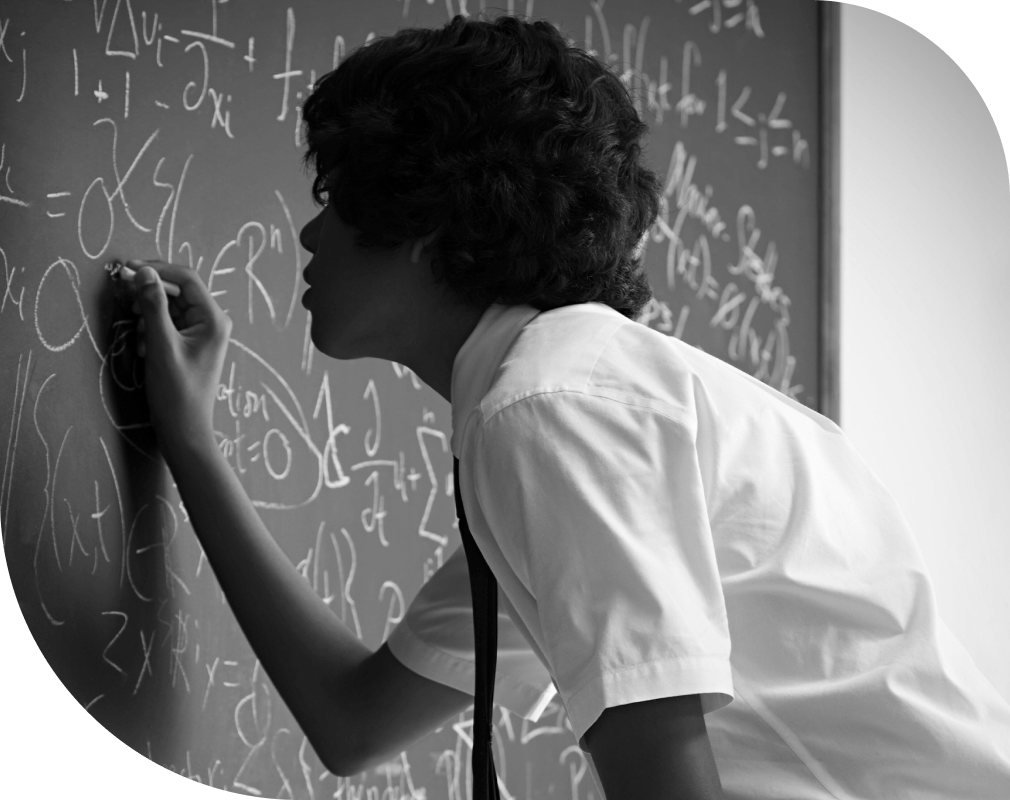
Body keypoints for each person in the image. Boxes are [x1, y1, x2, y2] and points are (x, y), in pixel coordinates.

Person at [126, 14, 1010, 800]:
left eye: (341, 200)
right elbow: (354, 722)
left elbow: (663, 780)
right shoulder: (573, 396)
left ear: (425, 218)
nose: (310, 235)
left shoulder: (552, 405)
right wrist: (191, 443)